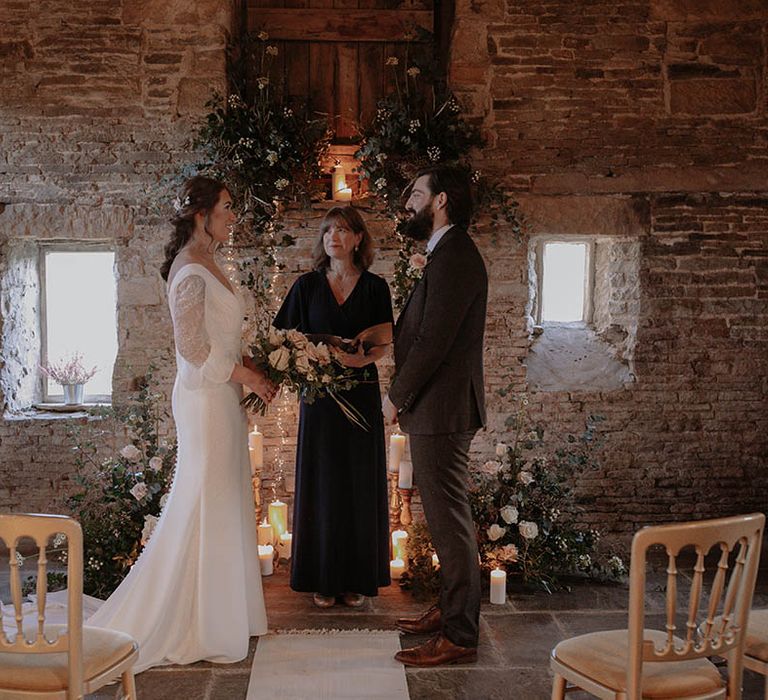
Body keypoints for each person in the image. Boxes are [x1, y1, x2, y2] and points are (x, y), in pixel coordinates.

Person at [88, 175, 275, 672]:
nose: (234, 216)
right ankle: (198, 623)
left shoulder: (210, 261)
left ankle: (225, 613)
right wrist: (248, 379)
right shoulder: (189, 269)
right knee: (205, 498)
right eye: (228, 207)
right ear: (202, 214)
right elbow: (193, 350)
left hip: (224, 393)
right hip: (206, 398)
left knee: (225, 494)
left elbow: (219, 335)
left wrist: (253, 366)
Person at [382, 165, 488, 667]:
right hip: (438, 408)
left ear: (440, 200)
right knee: (447, 521)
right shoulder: (446, 253)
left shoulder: (456, 256)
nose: (408, 202)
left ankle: (461, 635)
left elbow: (432, 343)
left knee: (451, 525)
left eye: (416, 194)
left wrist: (395, 397)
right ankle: (449, 613)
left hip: (442, 409)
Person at [273, 206, 393, 608]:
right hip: (320, 399)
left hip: (361, 391)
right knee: (323, 483)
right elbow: (282, 338)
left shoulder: (376, 288)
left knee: (359, 481)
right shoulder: (306, 286)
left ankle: (356, 578)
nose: (333, 238)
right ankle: (322, 579)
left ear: (358, 238)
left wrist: (365, 357)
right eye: (328, 231)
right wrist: (309, 356)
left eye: (342, 230)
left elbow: (384, 341)